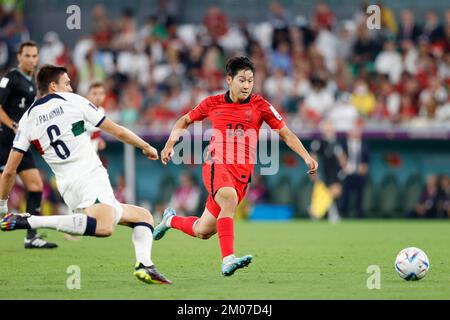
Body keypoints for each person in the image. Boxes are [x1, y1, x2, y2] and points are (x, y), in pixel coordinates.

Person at [0, 65, 171, 284]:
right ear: (53, 86)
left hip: (68, 188)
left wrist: (2, 206)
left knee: (143, 217)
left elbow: (10, 171)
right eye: (67, 83)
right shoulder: (73, 101)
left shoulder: (27, 120)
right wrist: (145, 146)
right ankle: (32, 221)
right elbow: (116, 130)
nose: (71, 87)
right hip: (90, 176)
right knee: (105, 227)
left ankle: (145, 266)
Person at [153, 56, 318, 276]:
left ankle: (169, 220)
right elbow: (184, 120)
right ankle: (228, 259)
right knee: (228, 199)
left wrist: (306, 156)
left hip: (241, 177)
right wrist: (169, 145)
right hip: (216, 164)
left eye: (250, 80)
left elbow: (286, 134)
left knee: (203, 230)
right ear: (229, 80)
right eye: (242, 80)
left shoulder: (261, 105)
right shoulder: (212, 103)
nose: (247, 85)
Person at [0, 41, 58, 249]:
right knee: (2, 190)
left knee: (36, 186)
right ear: (19, 56)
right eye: (28, 56)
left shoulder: (33, 82)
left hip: (22, 142)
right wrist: (13, 125)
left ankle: (31, 236)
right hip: (5, 141)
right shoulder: (10, 78)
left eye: (35, 56)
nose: (32, 60)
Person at [310, 120, 344, 223]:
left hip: (335, 173)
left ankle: (328, 211)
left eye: (331, 127)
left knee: (335, 192)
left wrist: (344, 169)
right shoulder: (318, 143)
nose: (329, 130)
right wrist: (313, 171)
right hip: (323, 173)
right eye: (327, 127)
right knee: (322, 193)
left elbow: (342, 159)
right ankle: (319, 211)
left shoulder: (337, 143)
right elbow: (313, 156)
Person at [340, 123, 370, 218]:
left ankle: (359, 215)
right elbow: (340, 158)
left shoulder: (364, 144)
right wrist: (344, 166)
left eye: (357, 131)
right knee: (345, 196)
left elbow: (367, 160)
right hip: (347, 174)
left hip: (359, 174)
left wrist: (364, 167)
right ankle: (343, 214)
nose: (355, 133)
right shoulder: (344, 144)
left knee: (360, 196)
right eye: (353, 131)